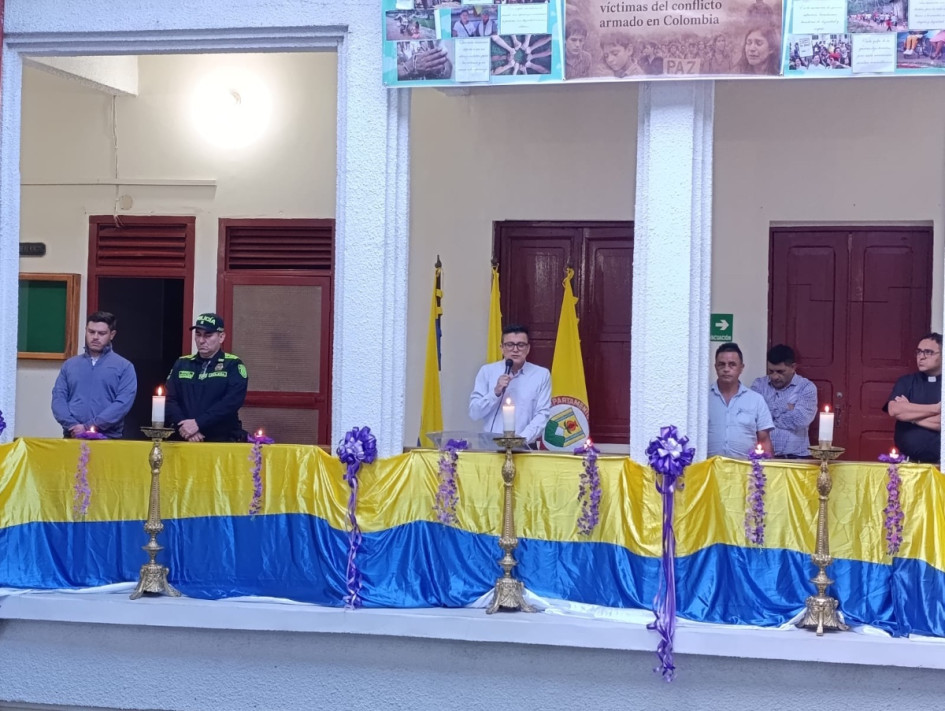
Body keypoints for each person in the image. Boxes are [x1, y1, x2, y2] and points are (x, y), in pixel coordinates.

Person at [51, 311, 137, 438]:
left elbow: (122, 404)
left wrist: (89, 426)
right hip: (72, 436)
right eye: (91, 332)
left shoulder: (125, 367)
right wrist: (72, 425)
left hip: (108, 438)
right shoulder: (70, 365)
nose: (95, 337)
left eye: (101, 333)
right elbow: (58, 398)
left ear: (112, 335)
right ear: (86, 331)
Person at [165, 313, 248, 442]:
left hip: (221, 440)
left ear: (221, 337)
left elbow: (231, 403)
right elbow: (170, 399)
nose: (201, 340)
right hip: (184, 437)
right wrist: (184, 425)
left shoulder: (233, 365)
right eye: (198, 334)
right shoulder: (182, 364)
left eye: (208, 335)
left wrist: (198, 423)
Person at [468, 324, 551, 445]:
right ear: (501, 348)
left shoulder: (541, 375)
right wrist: (495, 392)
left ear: (528, 348)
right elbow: (474, 413)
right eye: (510, 344)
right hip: (491, 446)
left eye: (521, 345)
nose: (515, 349)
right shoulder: (487, 372)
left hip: (525, 445)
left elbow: (542, 414)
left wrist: (520, 440)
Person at [750, 345, 818, 457]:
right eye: (771, 371)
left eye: (780, 371)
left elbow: (800, 420)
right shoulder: (759, 385)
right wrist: (787, 408)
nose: (775, 377)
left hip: (797, 457)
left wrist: (766, 418)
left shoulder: (806, 387)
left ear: (793, 367)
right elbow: (753, 418)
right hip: (763, 456)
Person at [708, 343, 774, 458]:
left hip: (746, 471)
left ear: (741, 368)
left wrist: (767, 471)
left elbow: (764, 440)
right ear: (715, 367)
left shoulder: (756, 400)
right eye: (721, 364)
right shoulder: (704, 399)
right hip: (708, 470)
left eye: (732, 364)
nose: (726, 369)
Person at [884, 333, 942, 463]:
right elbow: (894, 410)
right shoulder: (906, 382)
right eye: (919, 352)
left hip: (940, 465)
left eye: (928, 352)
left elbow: (942, 423)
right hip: (908, 463)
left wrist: (910, 416)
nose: (921, 357)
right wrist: (936, 408)